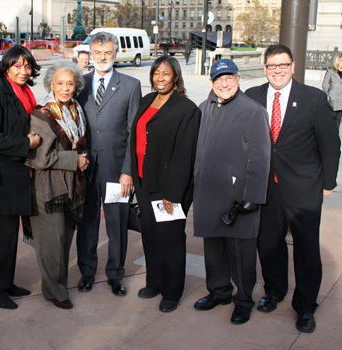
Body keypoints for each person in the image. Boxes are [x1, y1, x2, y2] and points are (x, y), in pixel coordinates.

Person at [245, 44, 341, 333]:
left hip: (303, 187)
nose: (277, 71)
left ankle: (306, 307)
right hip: (266, 188)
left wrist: (328, 182)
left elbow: (330, 143)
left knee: (307, 250)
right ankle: (274, 291)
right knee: (269, 244)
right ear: (265, 68)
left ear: (293, 66)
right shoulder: (253, 97)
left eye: (282, 65)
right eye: (272, 66)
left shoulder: (313, 98)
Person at [193, 59, 271, 325]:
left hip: (238, 196)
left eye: (229, 78)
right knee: (213, 248)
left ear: (238, 79)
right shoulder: (204, 108)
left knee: (241, 254)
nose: (223, 84)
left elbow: (260, 158)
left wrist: (252, 196)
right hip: (209, 192)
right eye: (218, 79)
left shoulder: (253, 111)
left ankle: (244, 299)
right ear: (212, 82)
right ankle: (218, 291)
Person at [130, 56, 200, 312]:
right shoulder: (147, 101)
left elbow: (185, 154)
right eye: (156, 73)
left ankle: (172, 291)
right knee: (150, 235)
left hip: (169, 187)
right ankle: (154, 282)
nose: (160, 78)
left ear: (176, 77)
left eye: (166, 74)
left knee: (170, 240)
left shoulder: (186, 109)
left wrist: (173, 194)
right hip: (144, 182)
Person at [0, 45, 42, 310]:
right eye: (17, 66)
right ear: (6, 67)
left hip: (16, 175)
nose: (23, 71)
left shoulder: (25, 92)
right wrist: (25, 144)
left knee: (9, 234)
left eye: (27, 66)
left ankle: (6, 283)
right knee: (1, 235)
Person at [76, 31, 142, 296]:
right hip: (86, 168)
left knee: (116, 224)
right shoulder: (79, 83)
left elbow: (133, 133)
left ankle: (115, 274)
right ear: (91, 54)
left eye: (108, 53)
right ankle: (87, 273)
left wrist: (128, 171)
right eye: (98, 53)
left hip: (117, 170)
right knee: (88, 222)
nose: (102, 57)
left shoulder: (130, 85)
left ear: (116, 54)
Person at [25, 62, 89, 310]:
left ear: (76, 86)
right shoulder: (41, 115)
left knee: (64, 239)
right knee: (51, 241)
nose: (65, 88)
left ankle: (57, 285)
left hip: (71, 185)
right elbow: (40, 157)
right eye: (60, 83)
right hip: (49, 188)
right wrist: (76, 160)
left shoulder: (76, 110)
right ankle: (54, 290)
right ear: (51, 84)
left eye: (70, 83)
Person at [322, 53, 342, 127]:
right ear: (338, 61)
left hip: (341, 100)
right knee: (331, 119)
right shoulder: (331, 71)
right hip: (333, 99)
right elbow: (325, 84)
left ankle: (335, 137)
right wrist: (329, 94)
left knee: (338, 120)